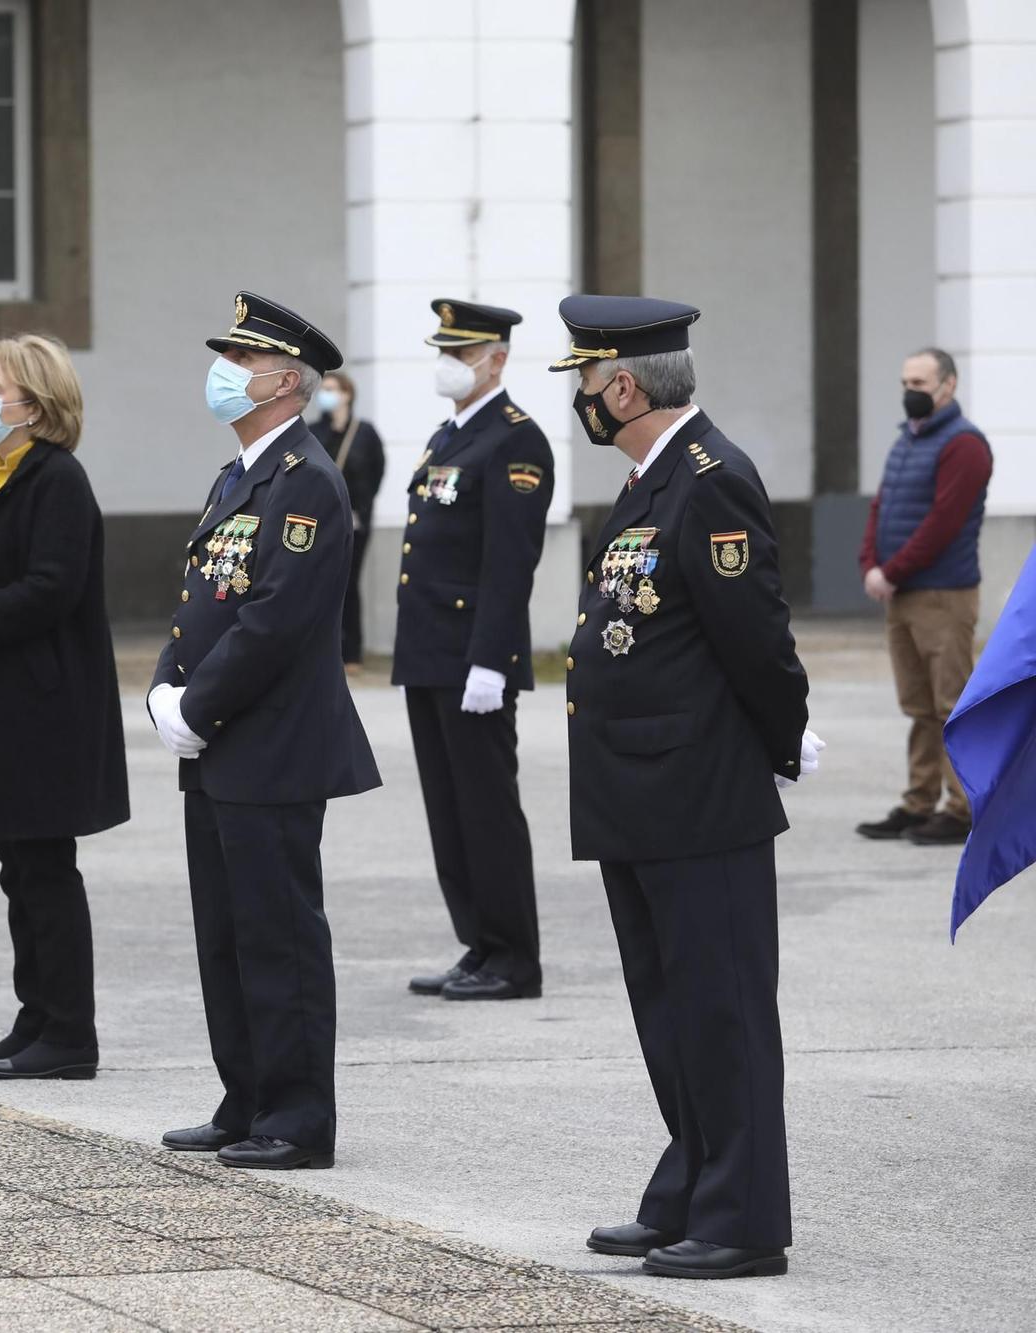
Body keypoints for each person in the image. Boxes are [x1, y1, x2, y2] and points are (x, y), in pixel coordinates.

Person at [553, 295, 821, 1279]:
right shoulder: (647, 482)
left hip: (697, 791)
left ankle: (743, 1217)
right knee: (667, 1010)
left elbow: (755, 636)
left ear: (621, 383)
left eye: (584, 379)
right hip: (639, 789)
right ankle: (690, 1184)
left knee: (718, 1010)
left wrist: (783, 737)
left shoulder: (708, 480)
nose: (580, 396)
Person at [148, 292, 380, 1171]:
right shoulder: (239, 472)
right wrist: (167, 690)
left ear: (285, 381)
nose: (226, 376)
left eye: (241, 364)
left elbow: (276, 620)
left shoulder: (308, 480)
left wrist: (195, 706)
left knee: (278, 935)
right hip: (219, 746)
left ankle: (296, 1116)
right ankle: (243, 1095)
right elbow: (207, 600)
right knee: (227, 933)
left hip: (271, 744)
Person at [0, 333, 129, 1081]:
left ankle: (70, 1031)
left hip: (42, 707)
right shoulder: (0, 471)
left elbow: (50, 588)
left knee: (45, 869)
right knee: (19, 870)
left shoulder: (55, 479)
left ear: (34, 403)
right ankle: (35, 1015)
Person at [395, 299, 554, 1003]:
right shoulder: (446, 437)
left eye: (461, 354)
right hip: (430, 651)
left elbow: (509, 562)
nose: (448, 364)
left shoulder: (515, 441)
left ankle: (515, 957)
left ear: (497, 358)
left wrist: (492, 659)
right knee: (448, 810)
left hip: (472, 660)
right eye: (445, 352)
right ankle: (478, 943)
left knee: (487, 809)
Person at [855, 347, 992, 847]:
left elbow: (944, 523)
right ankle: (919, 801)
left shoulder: (965, 446)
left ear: (948, 386)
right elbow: (882, 506)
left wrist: (891, 571)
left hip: (943, 595)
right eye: (905, 382)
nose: (910, 392)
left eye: (919, 383)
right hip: (902, 593)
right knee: (918, 706)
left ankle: (961, 808)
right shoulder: (907, 441)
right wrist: (870, 564)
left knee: (951, 705)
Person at [306, 370, 384, 666]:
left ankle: (352, 653)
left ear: (347, 394)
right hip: (319, 521)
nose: (325, 394)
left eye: (331, 389)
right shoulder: (313, 431)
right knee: (319, 584)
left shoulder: (365, 433)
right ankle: (323, 651)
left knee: (349, 585)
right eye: (322, 389)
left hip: (354, 522)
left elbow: (376, 472)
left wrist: (362, 507)